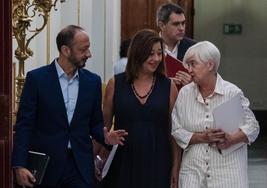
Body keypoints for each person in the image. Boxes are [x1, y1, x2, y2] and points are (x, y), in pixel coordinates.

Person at [12, 25, 127, 188]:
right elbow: (24, 126)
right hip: (46, 167)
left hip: (80, 167)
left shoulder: (93, 82)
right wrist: (19, 165)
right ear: (66, 50)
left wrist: (106, 138)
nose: (89, 54)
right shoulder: (36, 79)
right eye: (83, 49)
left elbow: (95, 124)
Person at [171, 41, 260, 188]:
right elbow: (176, 130)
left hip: (228, 174)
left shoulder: (232, 92)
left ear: (210, 65)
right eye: (188, 65)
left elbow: (253, 127)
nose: (189, 70)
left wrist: (232, 139)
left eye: (193, 64)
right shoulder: (184, 94)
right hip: (193, 174)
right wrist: (201, 137)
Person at [100, 29, 180, 188]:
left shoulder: (169, 86)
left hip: (159, 160)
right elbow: (103, 128)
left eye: (159, 53)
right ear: (137, 53)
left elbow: (175, 132)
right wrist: (96, 158)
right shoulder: (115, 84)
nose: (156, 58)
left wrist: (176, 167)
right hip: (123, 160)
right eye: (151, 53)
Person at [157, 3, 196, 87]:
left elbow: (203, 80)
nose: (181, 28)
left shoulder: (193, 47)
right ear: (162, 25)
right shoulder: (148, 46)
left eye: (183, 23)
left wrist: (193, 83)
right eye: (176, 24)